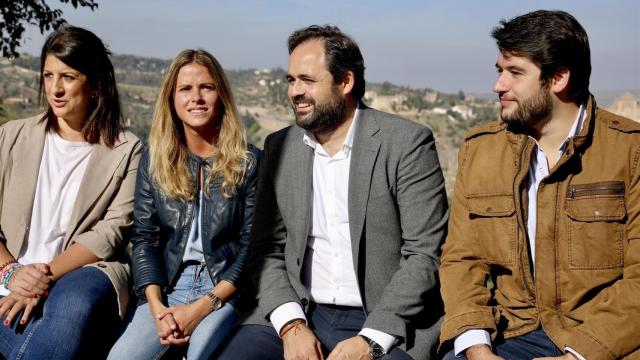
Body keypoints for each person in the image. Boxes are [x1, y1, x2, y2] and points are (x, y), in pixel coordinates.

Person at [217, 25, 448, 360]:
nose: (295, 91)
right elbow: (266, 250)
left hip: (385, 319)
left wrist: (370, 340)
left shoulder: (406, 143)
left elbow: (425, 254)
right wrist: (291, 325)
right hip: (301, 309)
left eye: (307, 80)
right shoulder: (280, 147)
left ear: (346, 82)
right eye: (291, 80)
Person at [439, 10, 640, 360]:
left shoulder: (630, 152)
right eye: (500, 70)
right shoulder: (480, 150)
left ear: (559, 78)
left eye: (515, 73)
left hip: (604, 339)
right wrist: (476, 346)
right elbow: (461, 260)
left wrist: (579, 355)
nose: (498, 85)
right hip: (508, 334)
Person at [107, 49, 260, 360]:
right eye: (185, 89)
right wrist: (157, 307)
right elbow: (145, 239)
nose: (197, 98)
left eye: (207, 87)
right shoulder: (155, 159)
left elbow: (252, 249)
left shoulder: (250, 161)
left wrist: (202, 307)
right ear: (172, 100)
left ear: (221, 95)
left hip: (224, 288)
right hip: (169, 285)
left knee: (200, 354)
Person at [0, 26, 142, 359]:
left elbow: (112, 230)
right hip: (10, 267)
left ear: (94, 84)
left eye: (68, 76)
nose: (56, 89)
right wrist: (12, 272)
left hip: (84, 270)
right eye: (49, 76)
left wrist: (40, 276)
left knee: (73, 305)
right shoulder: (11, 136)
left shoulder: (127, 149)